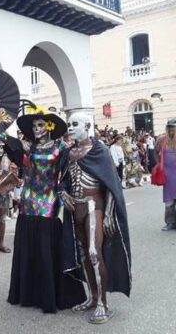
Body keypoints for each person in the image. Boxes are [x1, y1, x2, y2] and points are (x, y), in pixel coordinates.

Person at [8, 107, 86, 314]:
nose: (37, 129)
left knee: (46, 245)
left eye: (40, 125)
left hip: (50, 200)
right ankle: (28, 292)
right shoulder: (29, 147)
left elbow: (69, 171)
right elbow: (3, 139)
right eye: (34, 126)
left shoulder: (61, 147)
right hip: (28, 199)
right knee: (30, 246)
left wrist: (66, 191)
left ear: (49, 126)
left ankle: (51, 294)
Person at [59, 112, 131, 324]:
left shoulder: (99, 150)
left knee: (93, 252)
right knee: (82, 254)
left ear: (87, 126)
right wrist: (63, 193)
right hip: (76, 209)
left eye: (75, 124)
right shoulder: (69, 153)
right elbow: (62, 181)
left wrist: (109, 213)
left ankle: (104, 304)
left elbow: (111, 184)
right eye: (69, 125)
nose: (70, 128)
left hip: (94, 207)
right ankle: (92, 297)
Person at [156, 119, 176, 231]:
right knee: (169, 200)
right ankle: (170, 223)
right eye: (169, 127)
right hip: (168, 174)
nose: (171, 129)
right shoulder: (162, 140)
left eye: (173, 127)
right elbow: (156, 153)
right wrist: (159, 165)